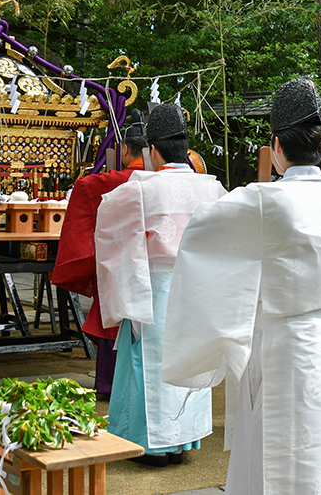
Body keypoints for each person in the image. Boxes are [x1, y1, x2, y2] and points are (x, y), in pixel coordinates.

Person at [161, 78, 321, 493]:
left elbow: (199, 231)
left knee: (275, 453)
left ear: (275, 148)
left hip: (280, 344)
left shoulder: (261, 201)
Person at [95, 103, 226, 467]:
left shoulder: (139, 190)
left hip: (155, 285)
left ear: (153, 150)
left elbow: (110, 238)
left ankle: (154, 444)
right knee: (190, 359)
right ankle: (184, 439)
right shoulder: (213, 189)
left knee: (150, 362)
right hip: (198, 286)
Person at [52, 109, 147, 396]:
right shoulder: (170, 182)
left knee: (113, 317)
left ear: (126, 149)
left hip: (118, 266)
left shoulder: (107, 182)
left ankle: (108, 383)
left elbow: (82, 192)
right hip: (158, 269)